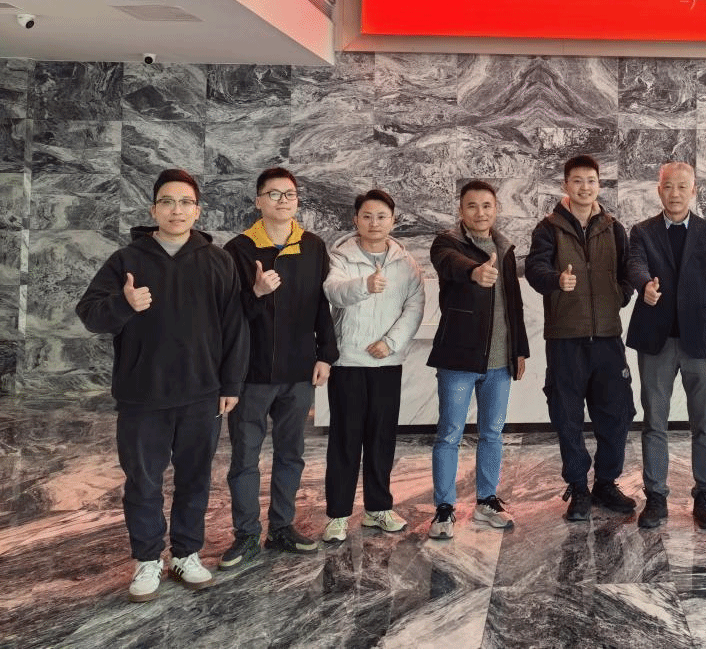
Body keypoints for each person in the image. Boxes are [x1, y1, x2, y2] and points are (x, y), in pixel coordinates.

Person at [76, 169, 246, 602]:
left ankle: (186, 553)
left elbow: (234, 327)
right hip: (142, 395)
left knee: (195, 479)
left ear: (197, 211)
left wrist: (231, 383)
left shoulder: (218, 260)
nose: (176, 210)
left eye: (185, 202)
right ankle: (148, 559)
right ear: (153, 210)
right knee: (143, 482)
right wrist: (124, 303)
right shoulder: (126, 260)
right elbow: (90, 314)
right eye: (167, 202)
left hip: (202, 394)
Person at [219, 167, 339, 569]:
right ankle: (246, 534)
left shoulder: (313, 246)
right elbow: (227, 316)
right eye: (273, 194)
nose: (283, 200)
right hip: (251, 374)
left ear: (297, 201)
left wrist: (326, 354)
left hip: (298, 371)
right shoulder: (238, 249)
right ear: (258, 202)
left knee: (291, 453)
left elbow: (322, 305)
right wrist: (255, 293)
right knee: (245, 457)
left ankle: (282, 527)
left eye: (289, 194)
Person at [525, 155, 637, 521]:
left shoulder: (614, 228)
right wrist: (557, 280)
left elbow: (627, 271)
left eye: (591, 180)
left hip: (607, 338)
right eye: (577, 181)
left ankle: (606, 483)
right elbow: (534, 269)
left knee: (617, 413)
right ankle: (578, 486)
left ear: (599, 185)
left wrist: (620, 295)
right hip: (566, 339)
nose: (584, 187)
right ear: (565, 185)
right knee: (567, 416)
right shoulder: (548, 228)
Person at [627, 161, 706, 530]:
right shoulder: (642, 231)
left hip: (701, 343)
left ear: (693, 191)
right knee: (654, 421)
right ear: (659, 191)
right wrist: (645, 286)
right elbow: (635, 264)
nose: (675, 193)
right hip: (655, 342)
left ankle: (705, 495)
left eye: (682, 186)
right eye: (668, 186)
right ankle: (656, 496)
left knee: (704, 421)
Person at [322, 189, 425, 542]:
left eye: (382, 216)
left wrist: (390, 343)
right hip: (349, 360)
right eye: (367, 216)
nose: (374, 222)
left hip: (387, 361)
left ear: (393, 221)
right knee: (345, 439)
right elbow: (333, 291)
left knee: (382, 438)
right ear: (355, 220)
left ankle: (378, 508)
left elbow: (414, 307)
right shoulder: (341, 257)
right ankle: (338, 514)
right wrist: (364, 285)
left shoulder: (406, 263)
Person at [427, 180, 529, 539]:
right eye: (472, 206)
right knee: (449, 434)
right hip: (458, 359)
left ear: (496, 209)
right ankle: (444, 508)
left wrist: (520, 349)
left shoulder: (505, 248)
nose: (480, 212)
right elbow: (450, 264)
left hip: (499, 362)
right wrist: (474, 271)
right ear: (461, 210)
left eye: (487, 205)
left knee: (492, 433)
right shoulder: (447, 243)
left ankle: (487, 501)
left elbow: (514, 304)